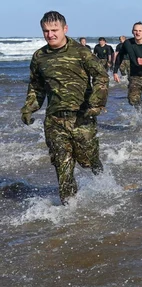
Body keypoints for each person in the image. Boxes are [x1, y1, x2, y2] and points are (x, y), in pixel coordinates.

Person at [22, 11, 109, 203]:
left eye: (54, 30)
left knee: (88, 161)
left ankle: (106, 184)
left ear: (65, 29)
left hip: (81, 117)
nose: (50, 34)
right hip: (54, 120)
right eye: (46, 31)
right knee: (63, 166)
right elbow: (36, 86)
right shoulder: (39, 56)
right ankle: (69, 209)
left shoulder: (81, 52)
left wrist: (96, 103)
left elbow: (101, 77)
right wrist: (29, 108)